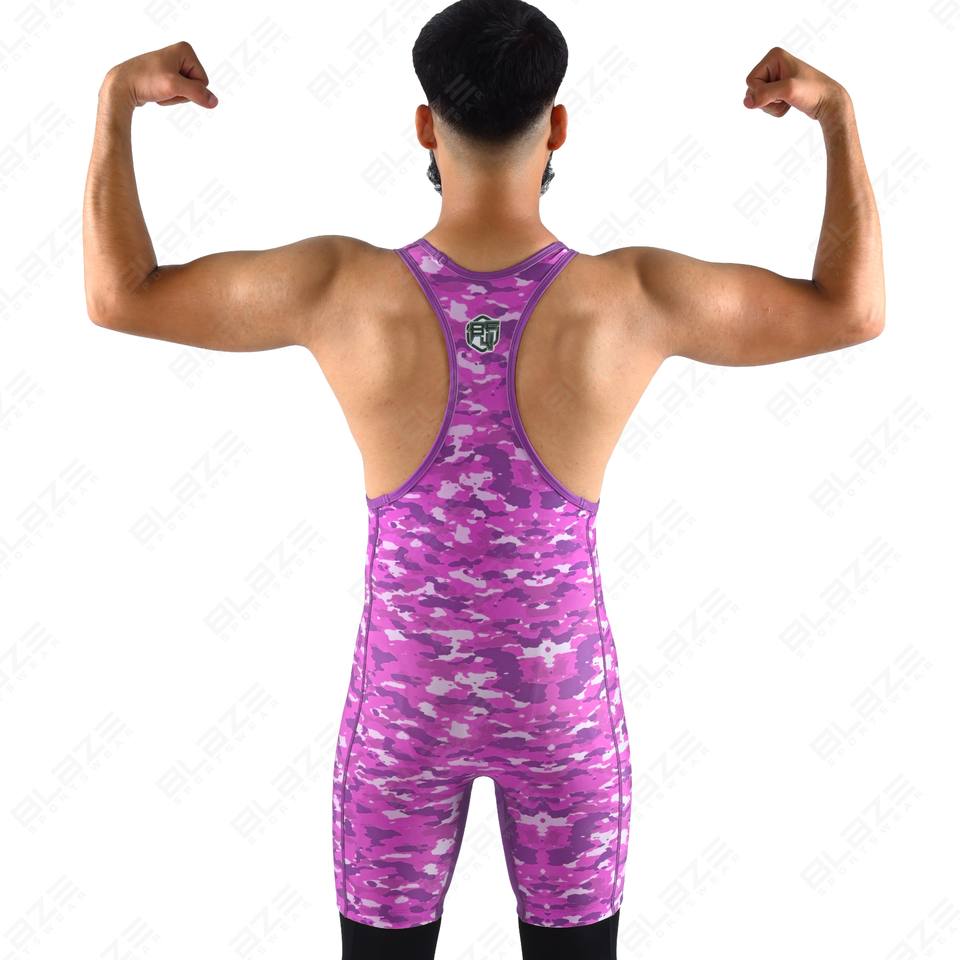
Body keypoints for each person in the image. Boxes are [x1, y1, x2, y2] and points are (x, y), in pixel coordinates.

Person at [82, 1, 885, 957]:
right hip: (564, 713)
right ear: (559, 125)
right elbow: (852, 311)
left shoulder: (339, 288)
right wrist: (837, 115)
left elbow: (119, 296)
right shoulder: (631, 298)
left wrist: (115, 100)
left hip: (400, 715)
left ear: (426, 125)